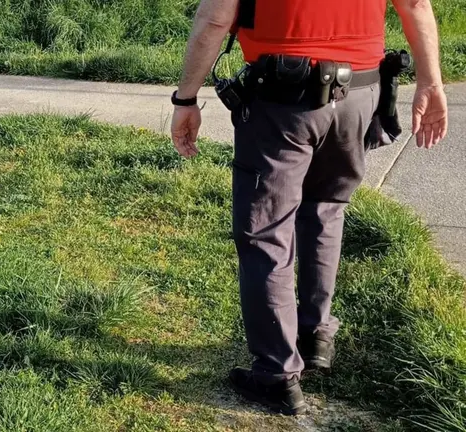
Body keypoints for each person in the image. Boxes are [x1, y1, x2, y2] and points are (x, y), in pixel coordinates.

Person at [169, 0, 448, 416]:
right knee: (327, 208)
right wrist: (431, 81)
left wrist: (185, 97)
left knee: (265, 230)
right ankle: (315, 333)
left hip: (284, 99)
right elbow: (415, 4)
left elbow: (215, 18)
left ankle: (276, 374)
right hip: (360, 91)